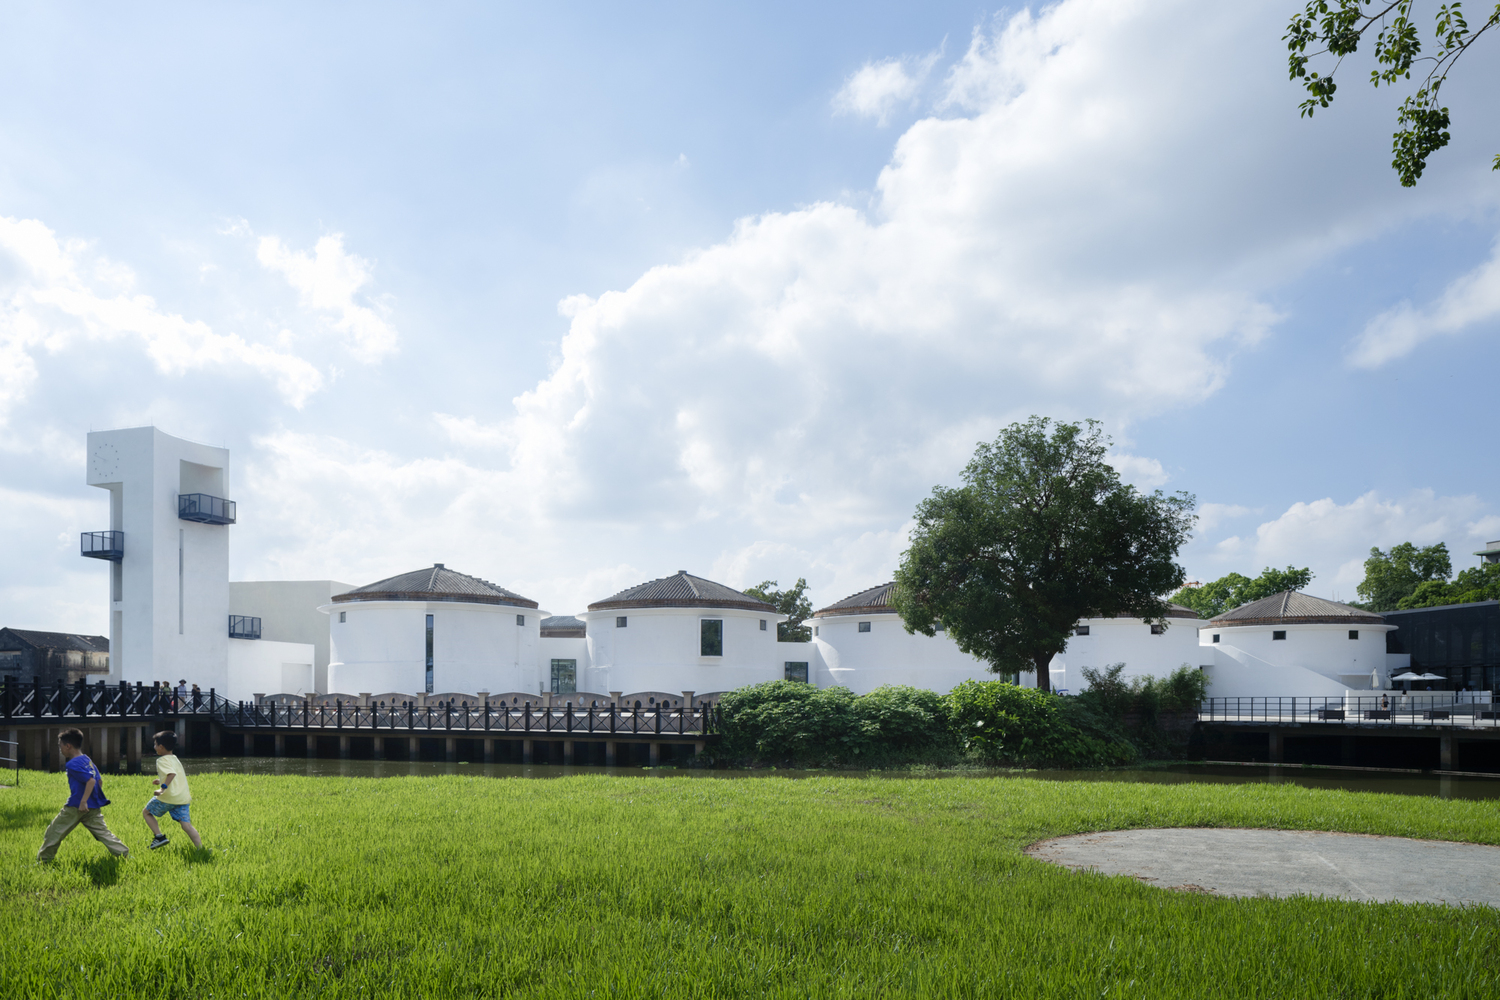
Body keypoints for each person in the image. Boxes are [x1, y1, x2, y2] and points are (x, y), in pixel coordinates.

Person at [37, 728, 129, 862]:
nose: (60, 749)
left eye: (60, 746)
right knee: (104, 833)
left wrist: (83, 801)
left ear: (68, 746)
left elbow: (90, 781)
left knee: (53, 832)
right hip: (92, 807)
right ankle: (124, 854)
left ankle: (43, 861)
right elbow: (99, 781)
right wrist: (92, 800)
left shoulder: (72, 764)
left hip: (76, 806)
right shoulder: (87, 760)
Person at [144, 730, 201, 849]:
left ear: (161, 747)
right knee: (186, 826)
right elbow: (175, 775)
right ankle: (201, 849)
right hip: (182, 798)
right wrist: (161, 780)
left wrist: (162, 789)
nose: (154, 747)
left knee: (147, 812)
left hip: (168, 798)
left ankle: (159, 837)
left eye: (155, 745)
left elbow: (171, 774)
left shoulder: (161, 760)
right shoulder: (175, 759)